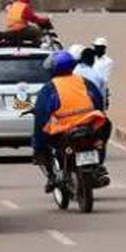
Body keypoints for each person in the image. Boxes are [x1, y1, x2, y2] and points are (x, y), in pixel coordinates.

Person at [31, 51, 110, 192]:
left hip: (64, 131)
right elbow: (99, 103)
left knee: (41, 143)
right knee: (104, 130)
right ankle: (98, 163)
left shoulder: (49, 88)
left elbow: (42, 117)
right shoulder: (85, 82)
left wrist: (38, 145)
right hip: (89, 128)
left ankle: (51, 176)